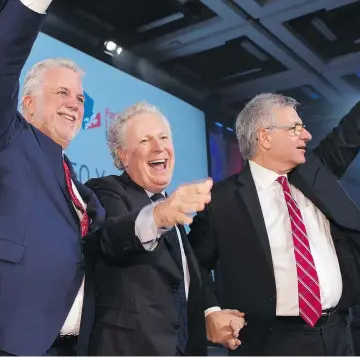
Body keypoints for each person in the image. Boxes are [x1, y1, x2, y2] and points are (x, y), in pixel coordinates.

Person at [188, 20, 360, 356]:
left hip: (339, 335)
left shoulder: (315, 174)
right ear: (264, 136)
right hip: (273, 343)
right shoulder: (221, 200)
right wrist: (211, 311)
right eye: (295, 128)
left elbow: (355, 128)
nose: (306, 135)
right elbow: (195, 264)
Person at [0, 0, 105, 355]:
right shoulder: (3, 136)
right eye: (62, 93)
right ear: (28, 104)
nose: (74, 103)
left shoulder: (74, 183)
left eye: (79, 98)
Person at [85, 101, 244, 356]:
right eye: (145, 140)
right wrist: (160, 215)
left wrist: (210, 315)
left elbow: (179, 290)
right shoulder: (106, 190)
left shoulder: (172, 211)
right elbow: (112, 238)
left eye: (163, 137)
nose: (160, 147)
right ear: (123, 154)